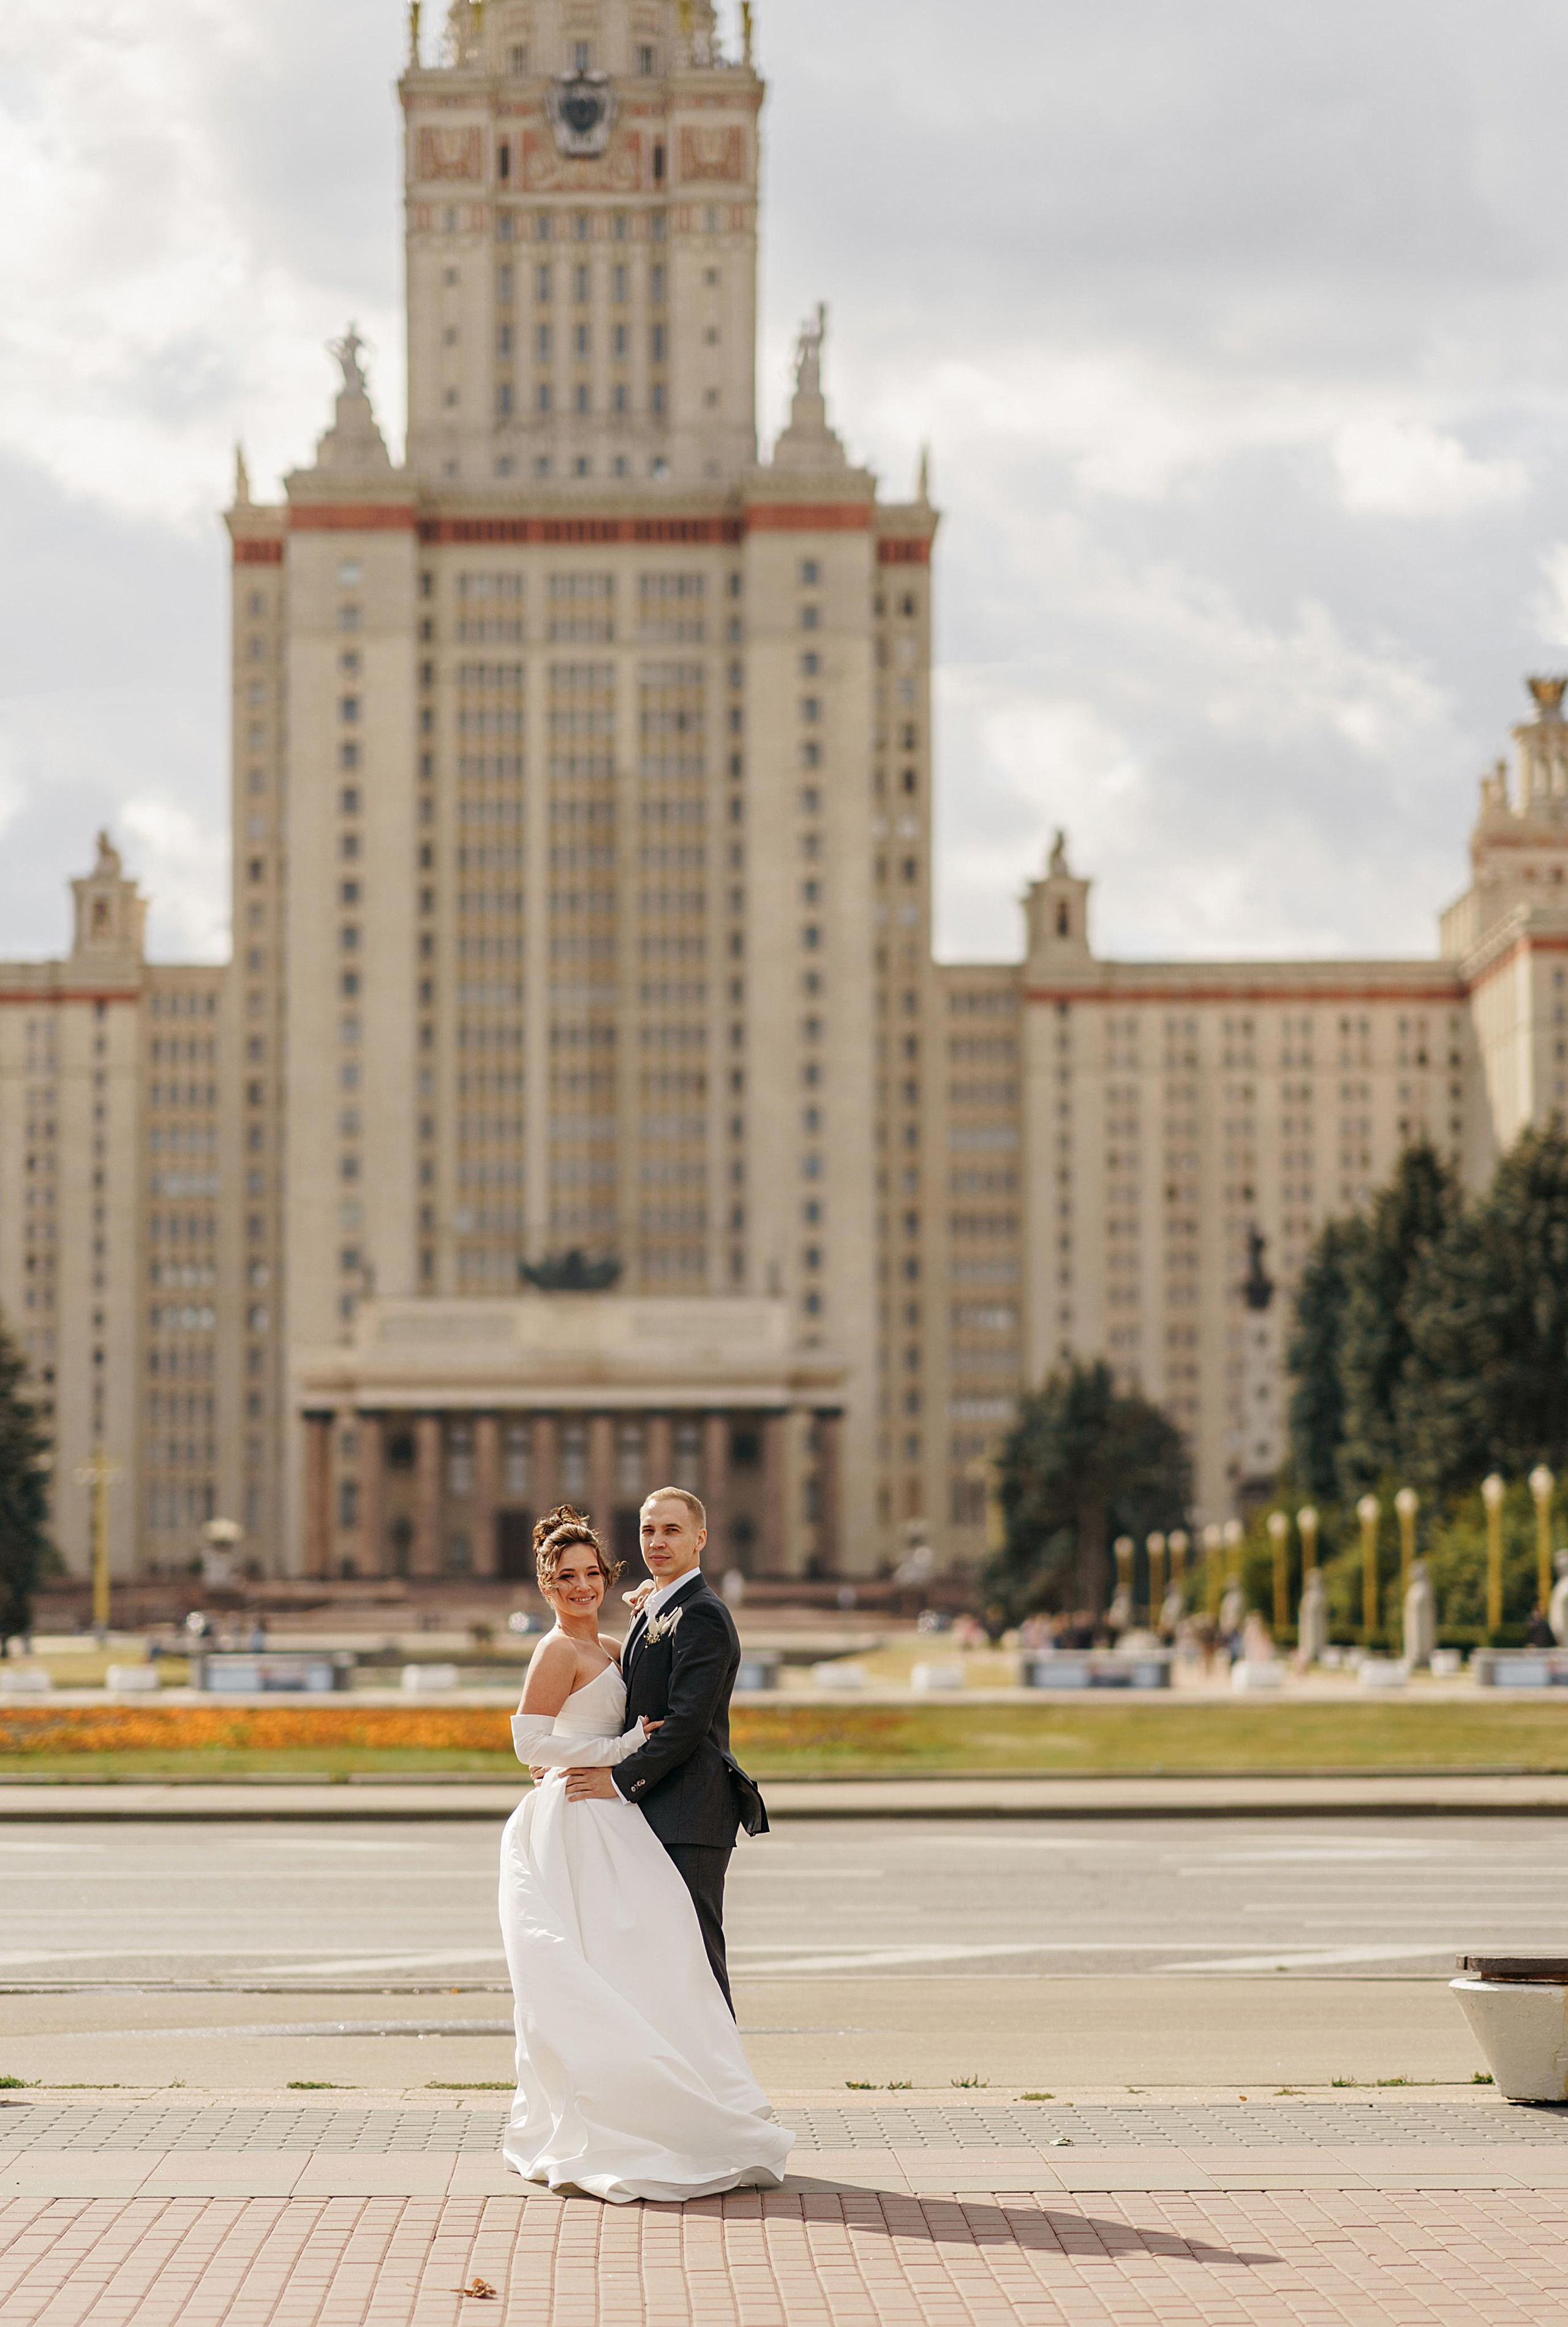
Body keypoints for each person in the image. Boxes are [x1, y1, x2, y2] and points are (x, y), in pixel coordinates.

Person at [498, 1502, 792, 2204]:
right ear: (545, 1584)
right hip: (581, 1814)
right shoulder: (560, 1648)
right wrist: (619, 1753)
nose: (580, 1585)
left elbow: (679, 1713)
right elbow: (529, 1746)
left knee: (667, 1962)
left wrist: (648, 1605)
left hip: (627, 1811)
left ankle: (708, 2104)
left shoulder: (622, 1635)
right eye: (566, 1576)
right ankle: (660, 2107)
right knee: (611, 1964)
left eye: (591, 1573)